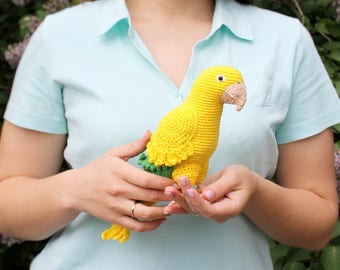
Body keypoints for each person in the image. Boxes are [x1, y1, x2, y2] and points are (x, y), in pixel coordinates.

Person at [0, 0, 339, 269]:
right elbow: (7, 205)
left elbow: (318, 226)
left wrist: (254, 192)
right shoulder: (60, 35)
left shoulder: (284, 39)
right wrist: (75, 189)